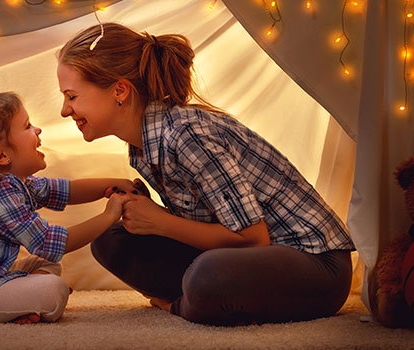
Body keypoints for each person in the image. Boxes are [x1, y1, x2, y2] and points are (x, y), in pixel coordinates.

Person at [56, 23, 356, 326]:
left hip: (315, 265)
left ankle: (184, 305)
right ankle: (204, 299)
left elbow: (253, 239)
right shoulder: (143, 147)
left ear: (119, 91)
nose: (64, 111)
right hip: (245, 259)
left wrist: (161, 222)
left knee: (209, 276)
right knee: (110, 239)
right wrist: (149, 215)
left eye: (72, 96)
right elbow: (209, 223)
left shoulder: (187, 136)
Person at [0, 92, 138, 324]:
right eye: (27, 126)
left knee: (45, 265)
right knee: (54, 290)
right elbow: (50, 243)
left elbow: (66, 190)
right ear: (0, 155)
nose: (37, 130)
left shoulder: (13, 184)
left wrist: (111, 185)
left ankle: (22, 303)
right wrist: (110, 215)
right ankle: (24, 301)